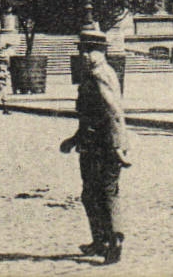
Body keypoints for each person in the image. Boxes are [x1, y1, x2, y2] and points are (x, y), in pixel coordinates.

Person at [59, 25, 130, 264]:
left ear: (102, 52)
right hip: (93, 143)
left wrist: (118, 146)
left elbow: (113, 111)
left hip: (105, 145)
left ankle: (114, 240)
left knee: (105, 192)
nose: (85, 55)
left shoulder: (100, 75)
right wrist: (74, 139)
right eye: (83, 50)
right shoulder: (95, 74)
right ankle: (100, 240)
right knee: (91, 194)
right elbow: (90, 114)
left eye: (90, 50)